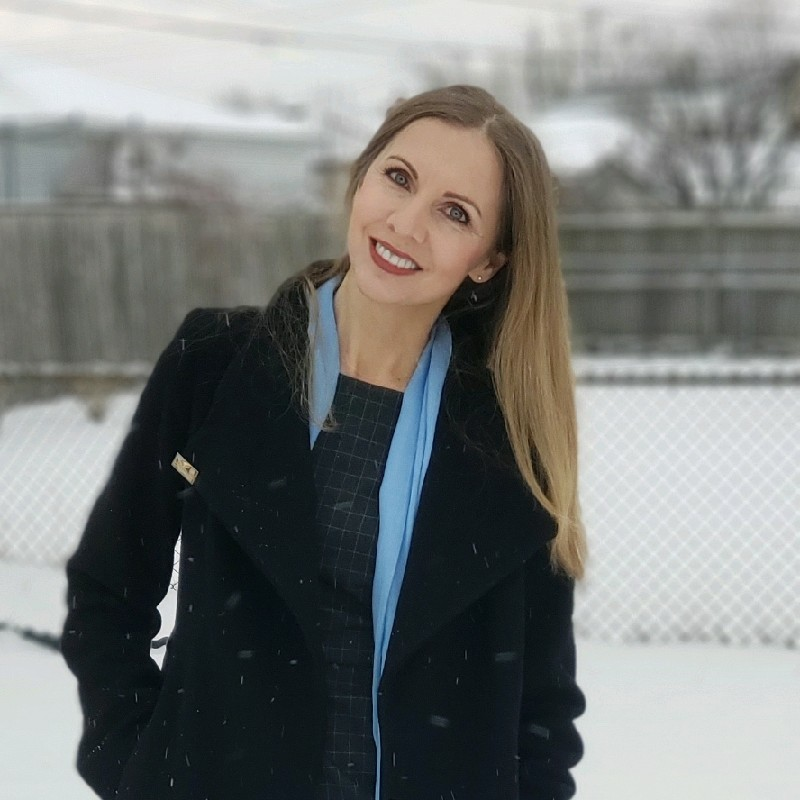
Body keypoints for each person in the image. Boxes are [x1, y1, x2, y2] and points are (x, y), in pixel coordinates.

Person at [61, 84, 586, 800]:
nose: (406, 223)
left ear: (488, 260)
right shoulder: (214, 365)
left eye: (455, 212)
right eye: (398, 178)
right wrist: (139, 772)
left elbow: (541, 713)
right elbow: (107, 592)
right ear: (361, 176)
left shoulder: (512, 434)